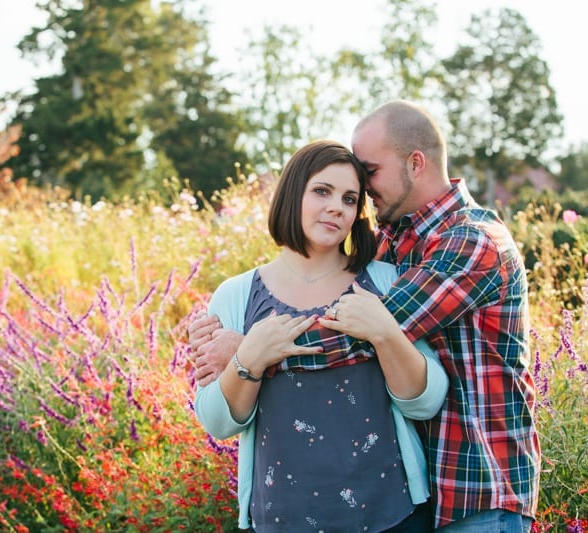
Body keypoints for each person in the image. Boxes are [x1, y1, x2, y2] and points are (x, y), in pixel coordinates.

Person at [190, 101, 540, 532]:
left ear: (415, 162)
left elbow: (362, 334)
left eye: (365, 178)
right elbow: (215, 410)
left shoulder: (471, 242)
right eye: (323, 191)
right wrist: (212, 336)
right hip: (422, 488)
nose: (352, 201)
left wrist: (248, 350)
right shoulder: (395, 240)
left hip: (479, 484)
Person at [193, 139, 448, 532]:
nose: (336, 207)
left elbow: (425, 402)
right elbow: (219, 422)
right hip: (281, 517)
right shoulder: (237, 295)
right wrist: (250, 358)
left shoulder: (383, 281)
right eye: (322, 191)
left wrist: (385, 334)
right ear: (293, 194)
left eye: (349, 199)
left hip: (390, 514)